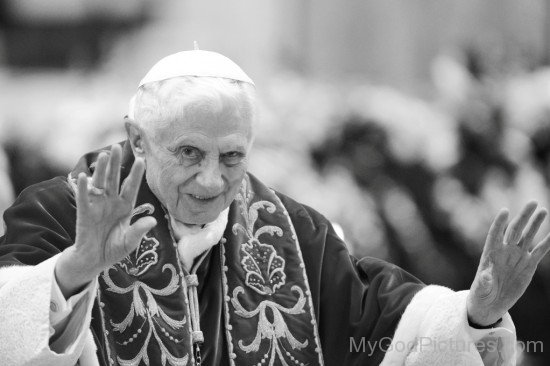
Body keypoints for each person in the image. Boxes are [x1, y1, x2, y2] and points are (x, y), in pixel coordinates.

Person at [0, 48, 549, 366]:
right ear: (138, 139)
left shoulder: (292, 232)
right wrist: (75, 271)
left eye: (232, 156)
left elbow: (390, 325)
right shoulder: (59, 212)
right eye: (189, 152)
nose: (212, 180)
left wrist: (475, 313)